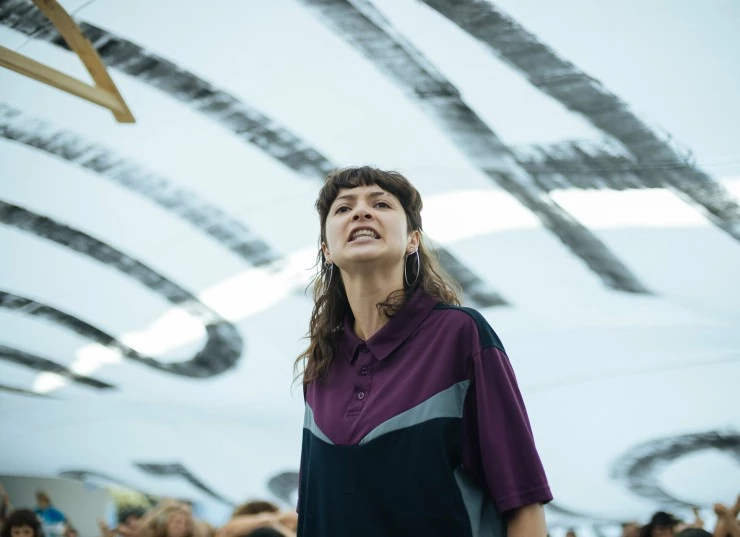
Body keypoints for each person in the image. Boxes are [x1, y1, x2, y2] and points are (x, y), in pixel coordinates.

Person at [294, 166, 552, 536]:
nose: (361, 212)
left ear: (413, 240)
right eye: (344, 208)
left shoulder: (460, 334)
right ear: (326, 250)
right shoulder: (320, 368)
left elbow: (524, 501)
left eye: (381, 204)